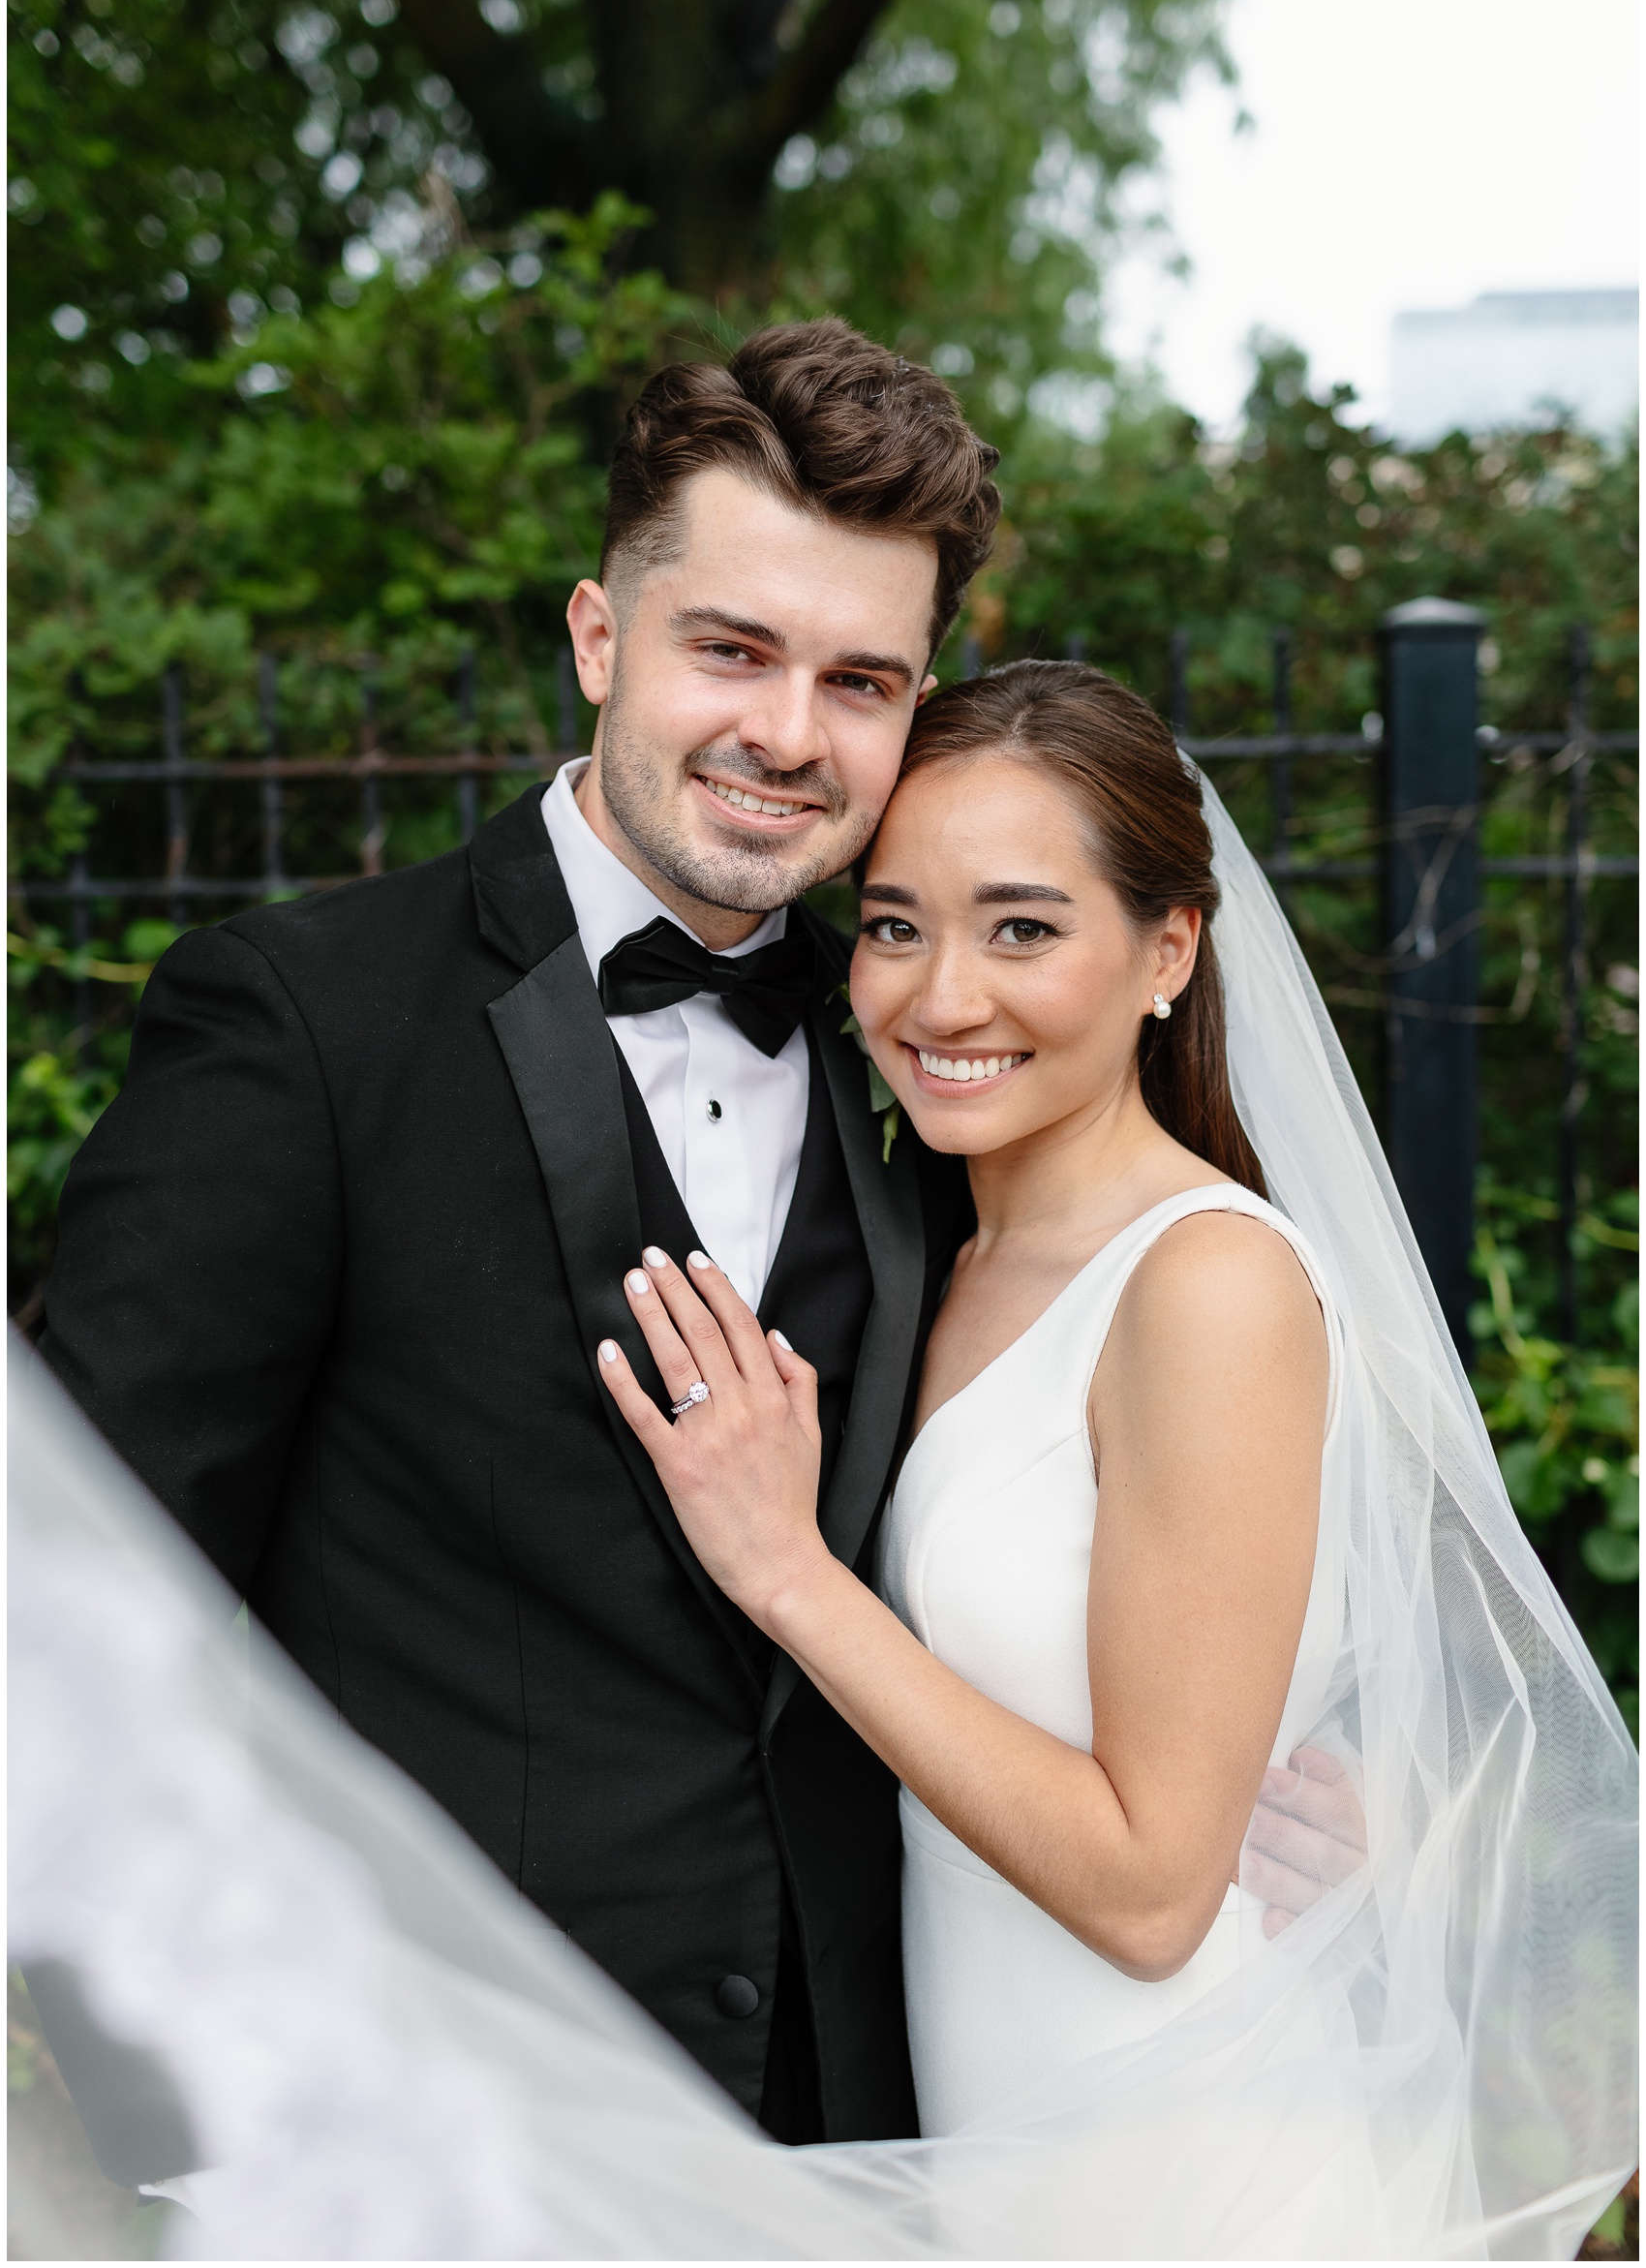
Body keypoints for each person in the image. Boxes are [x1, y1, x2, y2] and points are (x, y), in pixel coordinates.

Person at [11, 660, 1632, 2256]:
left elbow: (1154, 1888)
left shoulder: (1209, 1283)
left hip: (1169, 2158)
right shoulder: (935, 1244)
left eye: (1024, 928)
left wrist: (788, 1573)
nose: (943, 998)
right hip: (951, 2139)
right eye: (899, 925)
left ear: (1170, 950)